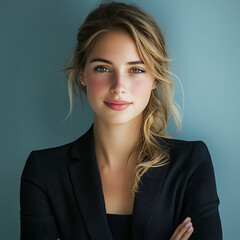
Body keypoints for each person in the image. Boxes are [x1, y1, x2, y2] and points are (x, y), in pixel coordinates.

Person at [20, 2, 222, 240]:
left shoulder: (191, 164)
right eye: (103, 68)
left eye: (136, 70)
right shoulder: (44, 172)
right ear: (83, 74)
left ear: (155, 77)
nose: (118, 87)